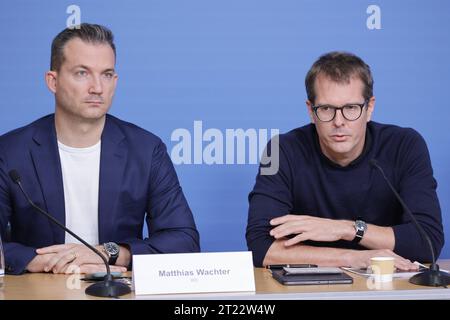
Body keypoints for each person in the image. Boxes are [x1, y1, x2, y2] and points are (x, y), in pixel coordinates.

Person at [0, 23, 200, 275]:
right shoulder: (10, 152)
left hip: (116, 290)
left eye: (106, 74)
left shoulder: (146, 150)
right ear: (53, 81)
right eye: (82, 73)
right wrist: (37, 260)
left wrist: (110, 253)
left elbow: (184, 240)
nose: (97, 87)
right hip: (40, 288)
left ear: (114, 81)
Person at [246, 51, 444, 270]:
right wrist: (354, 258)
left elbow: (428, 241)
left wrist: (347, 229)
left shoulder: (404, 145)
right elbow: (261, 247)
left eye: (351, 108)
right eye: (326, 109)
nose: (338, 121)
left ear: (369, 108)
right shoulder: (281, 150)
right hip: (309, 292)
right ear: (311, 111)